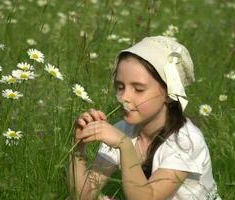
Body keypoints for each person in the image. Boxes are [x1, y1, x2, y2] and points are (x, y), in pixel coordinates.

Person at [68, 36, 222, 200]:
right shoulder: (123, 129)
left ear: (169, 94)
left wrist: (125, 145)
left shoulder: (186, 141)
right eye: (120, 87)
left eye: (139, 89)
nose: (124, 97)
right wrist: (78, 148)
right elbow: (84, 195)